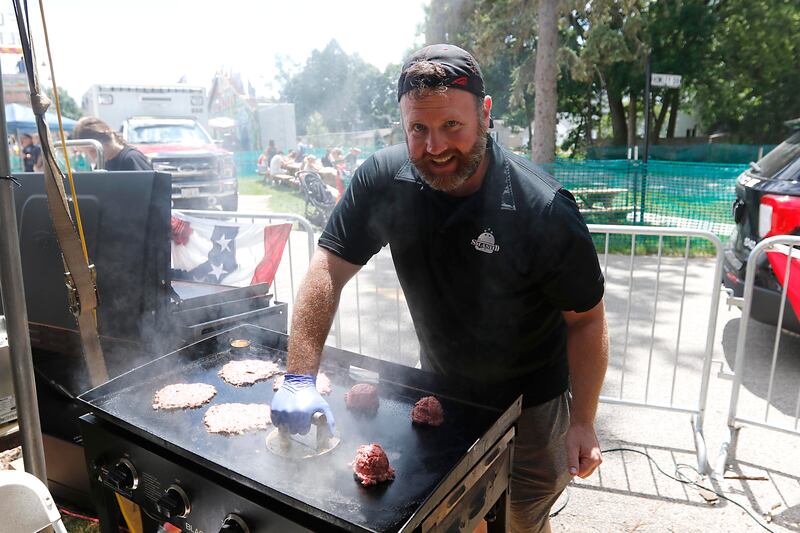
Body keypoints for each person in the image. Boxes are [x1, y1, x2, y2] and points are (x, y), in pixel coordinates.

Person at [270, 44, 608, 533]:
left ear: (485, 114)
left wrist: (585, 419)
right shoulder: (385, 181)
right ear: (402, 124)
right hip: (446, 395)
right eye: (418, 129)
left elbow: (588, 320)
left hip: (532, 408)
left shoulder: (542, 209)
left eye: (453, 125)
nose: (436, 146)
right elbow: (327, 269)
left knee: (519, 523)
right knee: (457, 510)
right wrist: (300, 376)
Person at [71, 117, 152, 171]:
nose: (91, 156)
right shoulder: (101, 165)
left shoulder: (131, 159)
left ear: (106, 137)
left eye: (93, 150)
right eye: (86, 153)